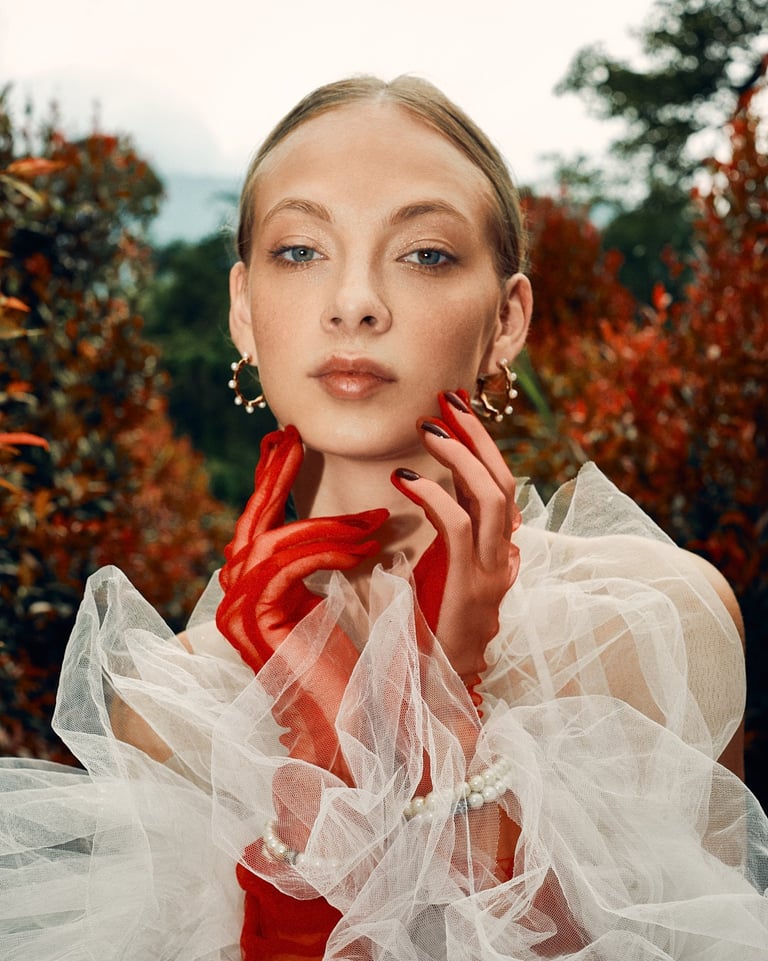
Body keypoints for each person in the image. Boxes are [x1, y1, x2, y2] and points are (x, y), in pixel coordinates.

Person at [1, 75, 766, 961]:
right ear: (242, 310)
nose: (355, 301)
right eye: (301, 251)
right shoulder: (175, 708)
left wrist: (451, 718)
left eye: (426, 254)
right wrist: (318, 758)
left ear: (508, 319)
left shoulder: (658, 623)